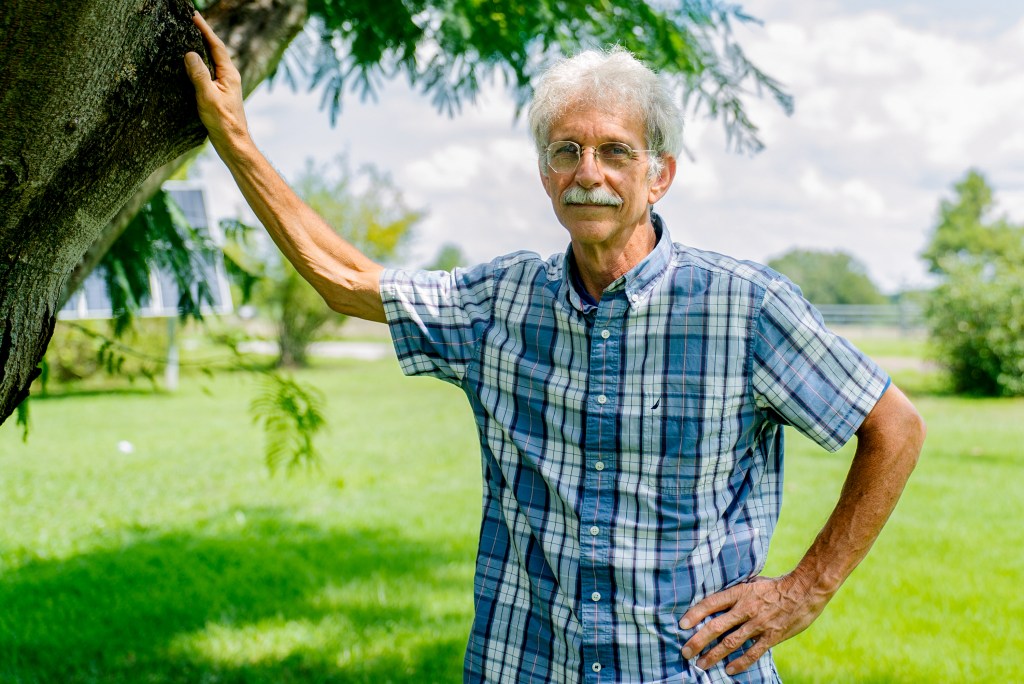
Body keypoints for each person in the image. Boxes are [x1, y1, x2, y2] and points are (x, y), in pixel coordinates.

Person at [184, 11, 926, 683]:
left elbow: (894, 426)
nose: (588, 173)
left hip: (688, 672)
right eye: (566, 150)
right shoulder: (498, 303)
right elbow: (344, 280)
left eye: (615, 151)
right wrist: (234, 137)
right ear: (546, 175)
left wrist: (805, 591)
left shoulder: (746, 306)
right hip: (524, 666)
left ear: (659, 174)